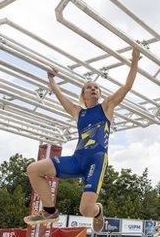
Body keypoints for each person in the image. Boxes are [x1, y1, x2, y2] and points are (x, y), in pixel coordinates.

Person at [24, 49, 141, 233]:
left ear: (100, 94)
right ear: (83, 95)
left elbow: (127, 86)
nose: (93, 88)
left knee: (85, 210)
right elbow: (60, 96)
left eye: (96, 87)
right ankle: (49, 210)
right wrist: (52, 80)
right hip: (77, 159)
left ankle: (98, 210)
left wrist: (134, 61)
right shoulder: (79, 112)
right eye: (89, 87)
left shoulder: (106, 107)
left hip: (96, 159)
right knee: (33, 169)